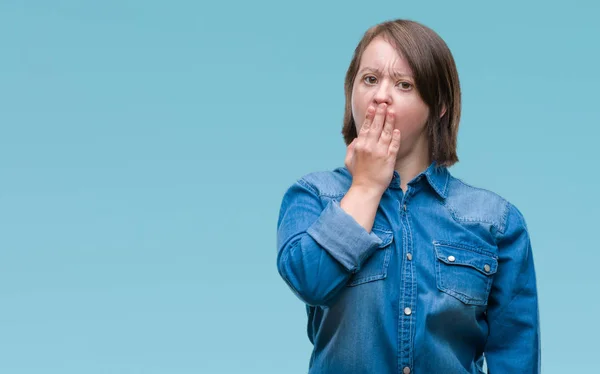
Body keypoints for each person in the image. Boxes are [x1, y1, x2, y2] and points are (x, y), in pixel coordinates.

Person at [276, 19, 540, 374]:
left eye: (403, 84)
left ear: (440, 104)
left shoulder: (495, 221)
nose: (380, 95)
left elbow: (516, 355)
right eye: (369, 79)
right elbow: (311, 282)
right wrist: (367, 186)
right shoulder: (312, 196)